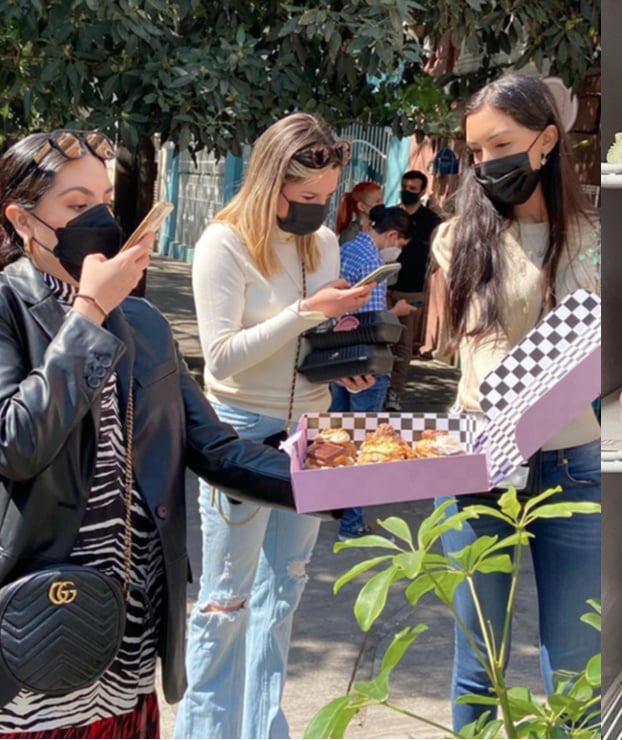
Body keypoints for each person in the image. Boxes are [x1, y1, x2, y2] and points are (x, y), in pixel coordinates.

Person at [0, 129, 322, 738]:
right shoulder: (9, 310)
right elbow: (18, 443)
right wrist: (89, 313)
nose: (98, 217)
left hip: (129, 631)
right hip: (36, 626)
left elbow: (218, 451)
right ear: (22, 219)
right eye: (74, 205)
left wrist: (333, 481)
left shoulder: (143, 324)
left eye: (103, 198)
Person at [174, 113, 375, 739]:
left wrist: (344, 365)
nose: (319, 209)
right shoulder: (223, 244)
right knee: (224, 601)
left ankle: (266, 729)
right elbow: (223, 355)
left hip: (311, 426)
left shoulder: (324, 244)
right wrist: (303, 311)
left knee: (284, 591)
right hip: (239, 432)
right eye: (306, 197)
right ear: (269, 182)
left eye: (329, 197)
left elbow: (306, 341)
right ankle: (206, 731)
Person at [430, 74, 601, 732]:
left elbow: (598, 355)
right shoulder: (456, 239)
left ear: (546, 140)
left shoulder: (592, 239)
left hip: (573, 466)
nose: (485, 163)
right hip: (476, 463)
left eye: (499, 144)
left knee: (576, 671)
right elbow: (472, 361)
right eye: (475, 152)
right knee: (481, 666)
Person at [331, 204, 416, 541]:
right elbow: (367, 323)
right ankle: (351, 524)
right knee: (363, 444)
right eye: (401, 244)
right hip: (364, 366)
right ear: (392, 235)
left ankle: (330, 505)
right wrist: (394, 312)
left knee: (336, 436)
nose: (398, 251)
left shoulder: (348, 249)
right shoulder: (373, 263)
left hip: (338, 360)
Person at [383, 170, 442, 411]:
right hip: (385, 286)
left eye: (412, 188)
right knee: (382, 339)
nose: (407, 191)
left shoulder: (432, 221)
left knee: (404, 344)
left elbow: (438, 255)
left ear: (423, 191)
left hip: (413, 290)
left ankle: (394, 393)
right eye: (404, 186)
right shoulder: (391, 216)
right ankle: (378, 387)